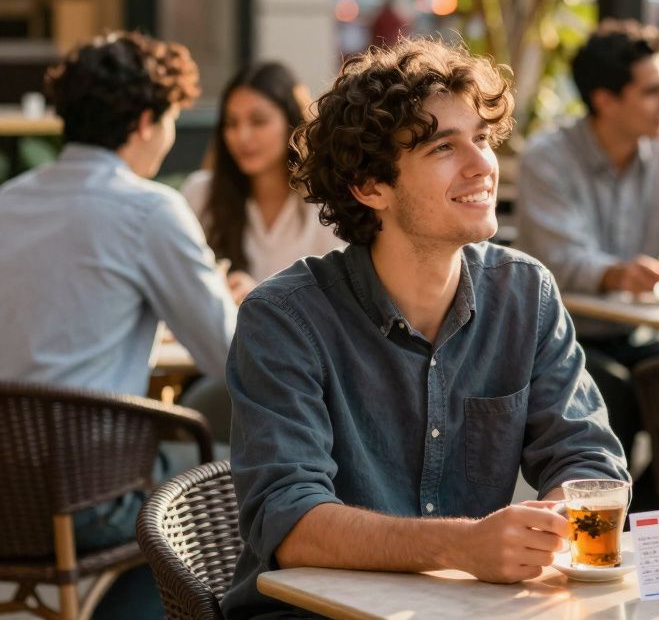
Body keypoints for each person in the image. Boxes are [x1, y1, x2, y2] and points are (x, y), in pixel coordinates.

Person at [222, 37, 627, 619]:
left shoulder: (524, 293)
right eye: (444, 147)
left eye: (482, 139)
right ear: (371, 187)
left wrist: (552, 521)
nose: (481, 164)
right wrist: (463, 546)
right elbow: (289, 520)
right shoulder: (284, 318)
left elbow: (587, 457)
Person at [0, 31, 237, 620]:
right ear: (144, 122)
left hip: (5, 495)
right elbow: (231, 356)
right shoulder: (148, 209)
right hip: (85, 498)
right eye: (173, 118)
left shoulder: (6, 202)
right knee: (235, 480)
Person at [515, 19, 659, 485]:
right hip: (563, 337)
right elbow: (558, 261)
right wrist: (619, 275)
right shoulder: (548, 158)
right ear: (604, 100)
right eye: (652, 90)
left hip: (639, 332)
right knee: (614, 395)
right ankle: (611, 535)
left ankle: (649, 524)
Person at [181, 61, 342, 298]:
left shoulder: (326, 201)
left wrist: (258, 297)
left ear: (291, 123)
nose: (242, 136)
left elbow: (340, 300)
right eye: (231, 123)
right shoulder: (200, 193)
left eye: (258, 121)